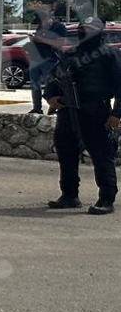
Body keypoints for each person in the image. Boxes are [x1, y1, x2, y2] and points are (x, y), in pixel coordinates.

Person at [44, 17, 120, 215]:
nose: (85, 33)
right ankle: (69, 195)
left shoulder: (110, 55)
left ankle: (106, 199)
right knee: (66, 152)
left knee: (102, 155)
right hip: (69, 111)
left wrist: (116, 114)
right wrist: (51, 98)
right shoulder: (71, 55)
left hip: (96, 111)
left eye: (90, 30)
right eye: (82, 29)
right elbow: (52, 81)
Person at [28, 13, 62, 116]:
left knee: (51, 84)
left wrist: (42, 40)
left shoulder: (58, 28)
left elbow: (60, 43)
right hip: (36, 59)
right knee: (34, 84)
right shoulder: (40, 27)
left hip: (49, 60)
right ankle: (36, 107)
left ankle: (54, 106)